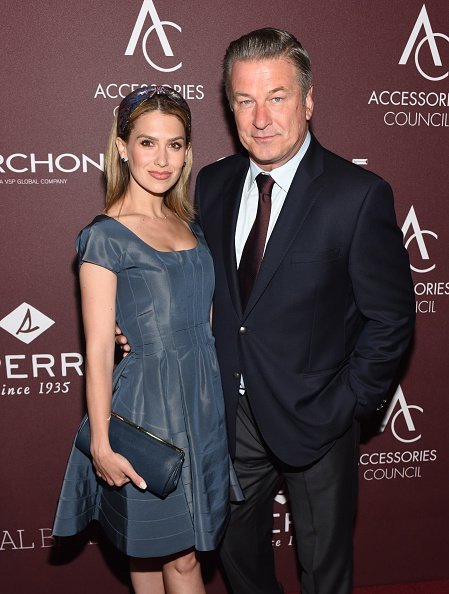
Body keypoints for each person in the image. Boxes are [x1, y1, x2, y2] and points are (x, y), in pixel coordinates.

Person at [117, 29, 415, 594]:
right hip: (227, 418)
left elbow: (392, 317)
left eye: (276, 97)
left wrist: (348, 403)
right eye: (244, 100)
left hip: (318, 419)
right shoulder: (213, 182)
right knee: (237, 557)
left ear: (307, 101)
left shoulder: (357, 195)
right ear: (229, 107)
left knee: (325, 571)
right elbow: (190, 279)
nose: (260, 118)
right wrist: (131, 315)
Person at [53, 85, 241, 594]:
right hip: (148, 408)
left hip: (203, 405)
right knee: (178, 559)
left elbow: (203, 316)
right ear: (121, 147)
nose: (162, 159)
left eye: (175, 144)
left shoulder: (191, 226)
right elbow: (96, 349)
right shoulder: (106, 236)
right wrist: (100, 442)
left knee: (150, 549)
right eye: (148, 142)